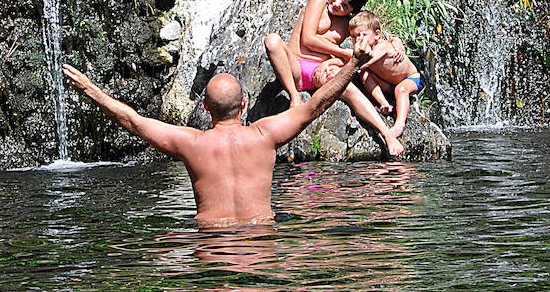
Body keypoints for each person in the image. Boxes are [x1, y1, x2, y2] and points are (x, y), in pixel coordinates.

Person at [61, 39, 372, 226]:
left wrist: (90, 89)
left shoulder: (191, 143)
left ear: (206, 108)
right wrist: (354, 61)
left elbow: (133, 121)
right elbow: (314, 105)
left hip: (212, 241)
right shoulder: (265, 135)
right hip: (259, 238)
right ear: (245, 104)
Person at [264, 0, 369, 107]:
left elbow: (370, 46)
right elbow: (308, 39)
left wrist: (395, 42)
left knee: (347, 87)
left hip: (319, 72)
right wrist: (342, 52)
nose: (337, 4)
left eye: (345, 6)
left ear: (352, 11)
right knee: (272, 40)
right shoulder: (319, 1)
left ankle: (385, 127)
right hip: (295, 67)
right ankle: (294, 95)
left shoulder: (348, 24)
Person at [349, 10, 420, 139]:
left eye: (363, 35)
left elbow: (361, 64)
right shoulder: (373, 46)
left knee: (401, 89)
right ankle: (384, 103)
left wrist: (396, 41)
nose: (358, 39)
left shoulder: (382, 47)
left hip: (410, 79)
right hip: (388, 85)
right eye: (354, 37)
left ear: (377, 35)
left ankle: (400, 124)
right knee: (365, 75)